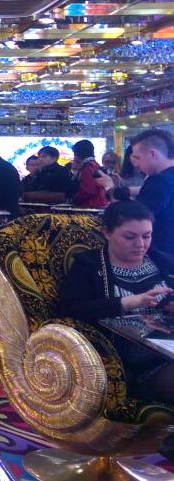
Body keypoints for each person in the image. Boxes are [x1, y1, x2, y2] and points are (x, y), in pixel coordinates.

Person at [56, 200, 174, 405]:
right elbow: (69, 310)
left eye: (147, 236)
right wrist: (125, 303)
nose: (140, 244)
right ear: (107, 233)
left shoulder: (163, 261)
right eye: (130, 237)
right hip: (133, 363)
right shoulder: (89, 266)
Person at [130, 129, 174, 257]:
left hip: (163, 254)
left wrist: (110, 189)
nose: (136, 164)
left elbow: (137, 217)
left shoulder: (159, 181)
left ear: (152, 154)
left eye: (138, 158)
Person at [70, 140, 108, 209]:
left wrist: (74, 199)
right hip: (98, 203)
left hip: (90, 205)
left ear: (77, 153)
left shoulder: (88, 167)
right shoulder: (95, 165)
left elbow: (89, 190)